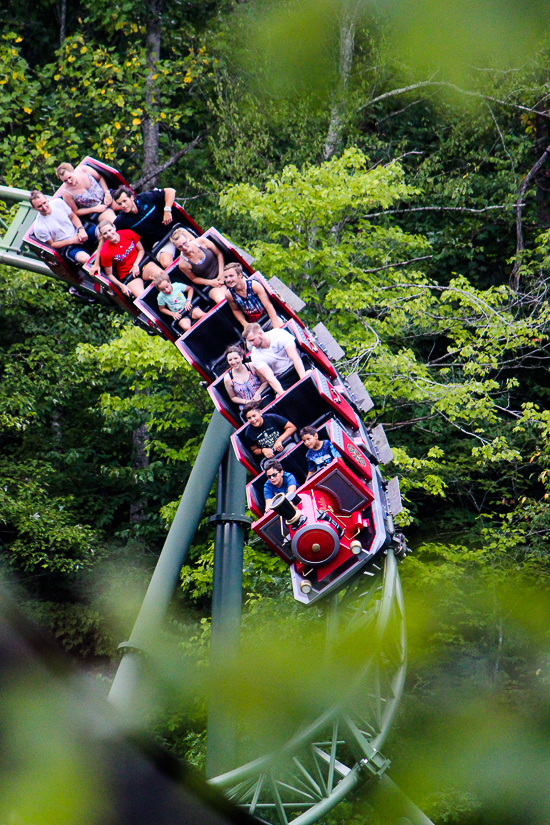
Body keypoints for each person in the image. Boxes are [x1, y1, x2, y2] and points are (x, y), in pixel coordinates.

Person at [112, 185, 176, 267]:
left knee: (191, 245)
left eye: (125, 201)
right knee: (166, 263)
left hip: (173, 231)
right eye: (120, 204)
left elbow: (170, 191)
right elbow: (110, 231)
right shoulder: (122, 220)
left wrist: (167, 210)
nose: (123, 205)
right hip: (159, 244)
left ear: (131, 197)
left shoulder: (145, 198)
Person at [97, 221, 163, 299]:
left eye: (109, 230)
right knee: (142, 296)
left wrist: (136, 265)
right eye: (105, 233)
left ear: (114, 227)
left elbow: (141, 250)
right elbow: (109, 274)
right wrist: (122, 286)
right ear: (103, 236)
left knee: (161, 276)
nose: (109, 234)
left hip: (141, 264)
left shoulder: (127, 233)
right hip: (128, 275)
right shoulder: (105, 251)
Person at [29, 190, 96, 264]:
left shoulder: (58, 203)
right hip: (69, 246)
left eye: (44, 203)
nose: (44, 208)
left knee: (101, 231)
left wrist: (81, 229)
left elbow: (72, 216)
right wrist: (72, 241)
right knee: (85, 258)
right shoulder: (39, 227)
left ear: (46, 198)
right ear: (34, 208)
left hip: (78, 232)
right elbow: (52, 244)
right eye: (39, 206)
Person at [243, 323, 306, 395]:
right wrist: (282, 393)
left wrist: (304, 379)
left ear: (260, 333)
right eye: (249, 341)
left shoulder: (279, 334)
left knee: (309, 376)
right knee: (280, 396)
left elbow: (295, 358)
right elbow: (269, 377)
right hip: (282, 377)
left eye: (252, 340)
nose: (251, 344)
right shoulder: (255, 355)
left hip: (297, 366)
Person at [171, 228, 226, 305]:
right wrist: (211, 282)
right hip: (212, 284)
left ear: (187, 239)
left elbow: (219, 254)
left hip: (224, 271)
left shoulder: (201, 241)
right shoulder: (183, 264)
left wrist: (221, 273)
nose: (184, 248)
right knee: (221, 299)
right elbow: (194, 278)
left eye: (185, 243)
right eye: (180, 247)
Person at [223, 263, 283, 330]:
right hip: (255, 325)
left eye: (231, 276)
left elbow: (268, 306)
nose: (228, 280)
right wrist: (245, 324)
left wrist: (276, 327)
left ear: (240, 275)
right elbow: (236, 310)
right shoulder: (229, 295)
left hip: (268, 318)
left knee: (280, 325)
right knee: (249, 339)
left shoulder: (254, 286)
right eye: (226, 277)